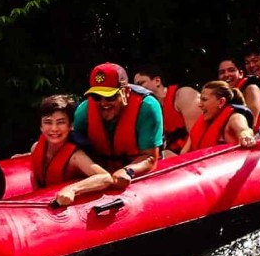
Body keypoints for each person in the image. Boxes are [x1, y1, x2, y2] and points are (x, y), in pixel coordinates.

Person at [73, 62, 163, 191]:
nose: (103, 103)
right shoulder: (83, 112)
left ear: (125, 92)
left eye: (110, 97)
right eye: (96, 97)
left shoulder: (147, 107)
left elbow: (150, 157)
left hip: (135, 174)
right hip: (101, 174)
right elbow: (76, 154)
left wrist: (128, 171)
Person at [26, 95, 113, 207]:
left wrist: (73, 189)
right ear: (41, 126)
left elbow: (106, 177)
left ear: (70, 126)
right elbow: (36, 179)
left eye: (60, 122)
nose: (54, 129)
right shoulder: (35, 148)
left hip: (67, 209)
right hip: (43, 207)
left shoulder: (76, 157)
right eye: (48, 122)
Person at [131, 65, 201, 156]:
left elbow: (198, 132)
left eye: (141, 83)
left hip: (197, 157)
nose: (138, 89)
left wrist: (181, 158)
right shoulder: (149, 110)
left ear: (157, 81)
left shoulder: (183, 94)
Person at [178, 81, 256, 153]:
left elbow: (244, 130)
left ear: (221, 102)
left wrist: (245, 136)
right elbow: (184, 153)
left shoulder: (235, 118)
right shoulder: (201, 121)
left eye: (204, 100)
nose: (200, 105)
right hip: (201, 163)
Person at [217, 58, 260, 128]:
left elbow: (250, 125)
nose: (226, 74)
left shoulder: (251, 89)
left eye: (231, 70)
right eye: (222, 72)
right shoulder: (222, 99)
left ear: (241, 74)